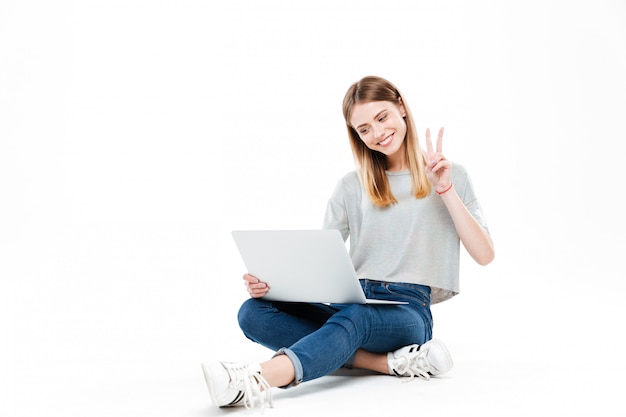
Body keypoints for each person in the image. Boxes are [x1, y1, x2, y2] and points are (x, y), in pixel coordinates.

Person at [201, 75, 494, 409]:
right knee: (253, 312)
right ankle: (387, 363)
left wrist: (445, 189)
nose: (378, 133)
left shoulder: (449, 173)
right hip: (352, 299)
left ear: (401, 106)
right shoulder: (351, 186)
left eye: (382, 117)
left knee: (356, 317)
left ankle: (255, 380)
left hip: (408, 311)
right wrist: (275, 285)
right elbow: (320, 265)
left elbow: (484, 254)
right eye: (364, 129)